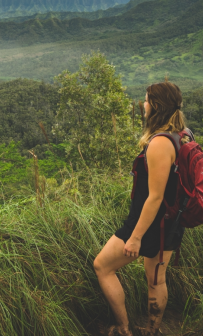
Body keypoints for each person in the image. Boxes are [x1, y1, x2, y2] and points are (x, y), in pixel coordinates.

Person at [94, 82, 189, 336]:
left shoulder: (160, 143)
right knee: (156, 279)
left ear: (155, 106)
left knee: (102, 266)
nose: (143, 104)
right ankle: (152, 331)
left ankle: (123, 329)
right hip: (171, 222)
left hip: (147, 223)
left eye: (146, 100)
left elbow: (154, 198)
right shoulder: (184, 134)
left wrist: (135, 237)